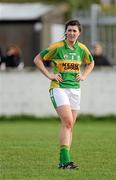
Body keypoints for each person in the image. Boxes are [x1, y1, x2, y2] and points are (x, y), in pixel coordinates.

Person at [34, 19, 94, 169]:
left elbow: (91, 62)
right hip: (59, 88)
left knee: (69, 126)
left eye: (75, 30)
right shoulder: (57, 47)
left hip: (75, 89)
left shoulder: (82, 49)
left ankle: (62, 162)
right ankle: (66, 161)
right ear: (65, 32)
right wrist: (50, 75)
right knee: (67, 121)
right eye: (69, 30)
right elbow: (37, 59)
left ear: (79, 33)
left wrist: (84, 75)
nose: (72, 33)